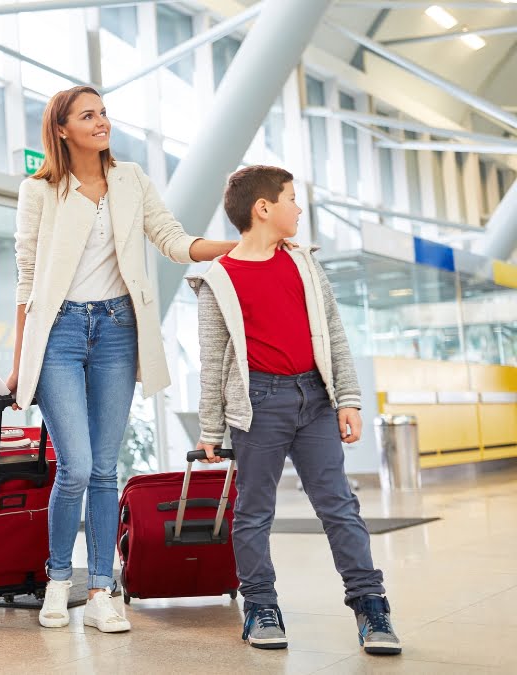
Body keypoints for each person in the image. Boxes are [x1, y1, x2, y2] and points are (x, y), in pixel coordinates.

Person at [6, 85, 240, 633]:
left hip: (116, 330)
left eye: (104, 113)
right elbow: (25, 278)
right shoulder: (38, 191)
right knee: (78, 467)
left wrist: (236, 247)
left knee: (106, 470)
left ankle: (102, 592)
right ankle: (58, 580)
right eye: (88, 115)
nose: (101, 121)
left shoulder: (131, 179)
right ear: (61, 129)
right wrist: (21, 362)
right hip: (59, 332)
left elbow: (172, 239)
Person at [189, 165, 401, 656]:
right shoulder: (219, 279)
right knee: (254, 510)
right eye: (291, 198)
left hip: (316, 400)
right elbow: (212, 362)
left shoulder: (305, 264)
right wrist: (210, 430)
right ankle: (261, 606)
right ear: (263, 208)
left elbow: (334, 334)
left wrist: (346, 398)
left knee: (339, 505)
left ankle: (371, 605)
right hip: (258, 404)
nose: (298, 208)